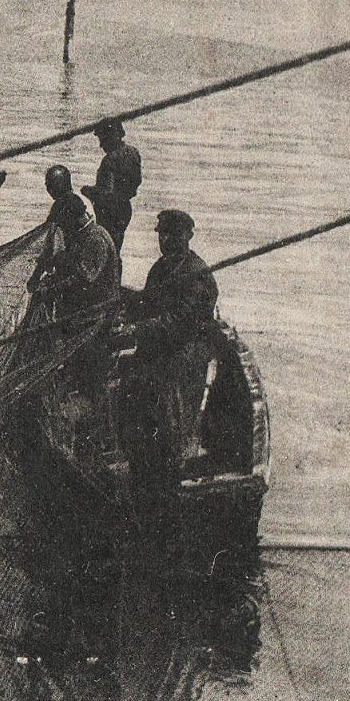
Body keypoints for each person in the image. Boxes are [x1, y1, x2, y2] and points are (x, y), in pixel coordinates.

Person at [119, 209, 220, 490]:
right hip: (160, 346)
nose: (165, 240)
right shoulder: (161, 268)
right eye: (162, 234)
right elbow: (148, 303)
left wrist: (137, 329)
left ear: (186, 237)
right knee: (132, 387)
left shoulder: (197, 275)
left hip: (185, 351)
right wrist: (128, 307)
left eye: (172, 235)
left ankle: (171, 465)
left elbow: (180, 322)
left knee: (170, 407)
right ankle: (141, 456)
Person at [36, 194, 121, 451]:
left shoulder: (95, 239)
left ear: (74, 219)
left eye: (63, 224)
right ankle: (86, 434)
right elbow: (71, 268)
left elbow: (83, 279)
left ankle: (98, 440)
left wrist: (53, 289)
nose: (62, 230)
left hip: (95, 323)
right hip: (83, 321)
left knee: (91, 381)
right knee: (81, 376)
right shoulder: (83, 236)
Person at [81, 119, 142, 251]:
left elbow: (107, 193)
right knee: (115, 247)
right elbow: (137, 181)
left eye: (102, 139)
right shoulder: (133, 153)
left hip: (109, 212)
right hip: (125, 208)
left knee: (107, 248)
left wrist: (89, 191)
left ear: (111, 137)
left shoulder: (109, 160)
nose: (101, 145)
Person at [27, 165, 78, 293]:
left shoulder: (60, 206)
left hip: (72, 264)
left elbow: (49, 243)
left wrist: (35, 276)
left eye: (50, 185)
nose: (48, 189)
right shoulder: (77, 200)